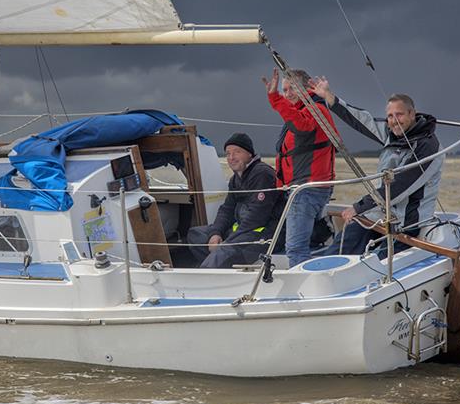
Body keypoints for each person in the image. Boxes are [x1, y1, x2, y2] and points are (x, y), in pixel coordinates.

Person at [310, 76, 443, 257]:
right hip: (379, 215)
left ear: (412, 114)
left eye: (400, 114)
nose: (394, 120)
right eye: (390, 116)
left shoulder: (428, 147)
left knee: (377, 263)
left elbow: (398, 187)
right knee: (342, 245)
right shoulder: (392, 133)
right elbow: (361, 121)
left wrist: (358, 207)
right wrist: (329, 97)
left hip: (407, 224)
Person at [264, 68, 338, 267]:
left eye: (291, 90)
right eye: (284, 90)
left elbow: (302, 126)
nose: (287, 94)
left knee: (295, 248)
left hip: (307, 190)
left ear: (306, 89)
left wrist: (275, 99)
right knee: (301, 244)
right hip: (302, 189)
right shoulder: (305, 110)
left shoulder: (315, 110)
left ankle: (304, 289)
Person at [187, 133, 284, 268]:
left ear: (249, 154)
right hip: (242, 233)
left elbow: (258, 216)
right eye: (228, 153)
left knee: (224, 250)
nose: (231, 158)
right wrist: (216, 233)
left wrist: (229, 241)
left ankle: (205, 277)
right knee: (196, 235)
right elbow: (227, 209)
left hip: (264, 235)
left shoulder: (262, 174)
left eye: (237, 152)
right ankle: (220, 268)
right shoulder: (236, 179)